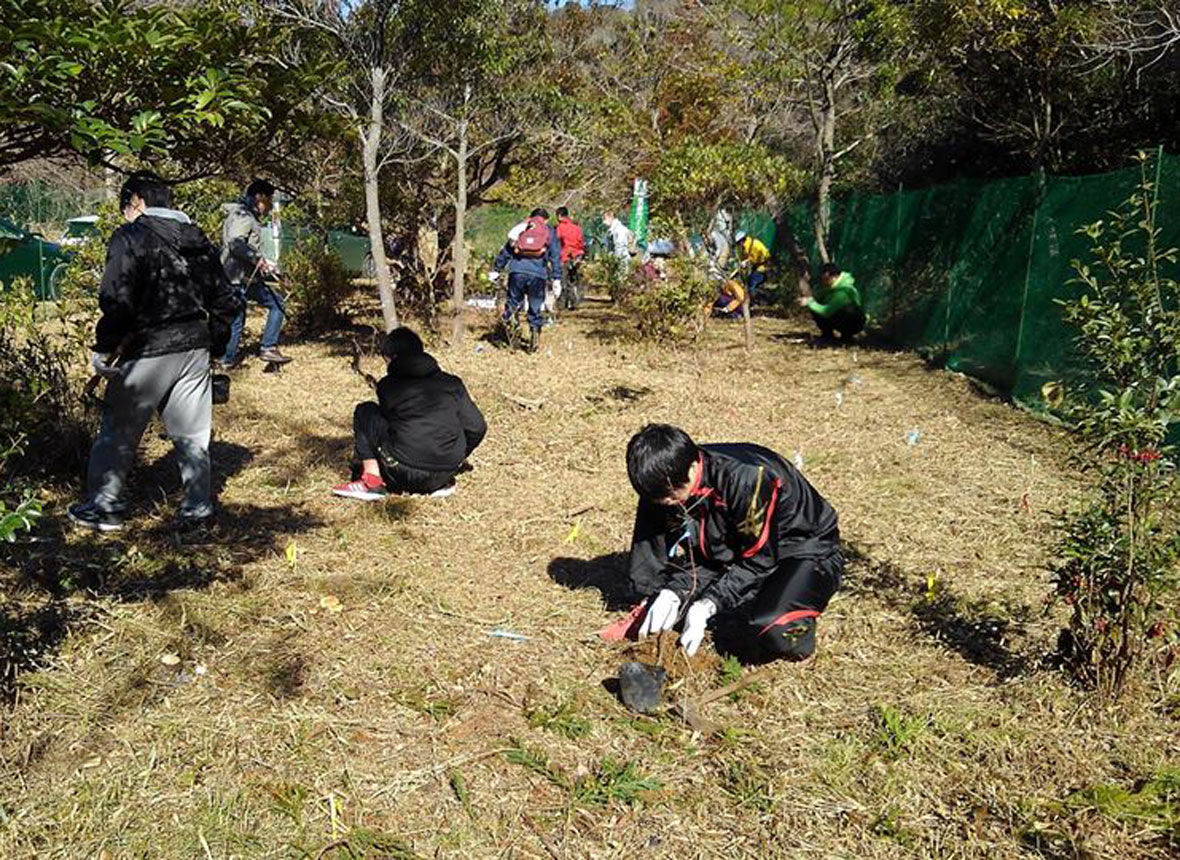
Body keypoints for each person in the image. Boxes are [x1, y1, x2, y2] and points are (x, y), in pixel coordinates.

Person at [67, 172, 239, 532]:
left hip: (148, 347)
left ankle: (104, 506)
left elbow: (118, 300)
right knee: (193, 436)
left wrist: (105, 347)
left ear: (137, 202)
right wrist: (216, 343)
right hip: (195, 345)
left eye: (125, 208)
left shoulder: (130, 237)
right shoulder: (198, 240)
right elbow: (225, 299)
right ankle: (197, 510)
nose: (125, 215)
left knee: (118, 429)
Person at [624, 424, 843, 662]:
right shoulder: (666, 481)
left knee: (775, 630)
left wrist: (708, 604)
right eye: (661, 498)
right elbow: (705, 553)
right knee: (673, 602)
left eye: (672, 495)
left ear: (693, 467)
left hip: (803, 547)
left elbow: (759, 561)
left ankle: (797, 616)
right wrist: (668, 592)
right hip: (739, 542)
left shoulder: (746, 478)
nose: (668, 503)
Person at [332, 327, 486, 500]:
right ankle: (436, 481)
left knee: (365, 410)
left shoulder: (388, 385)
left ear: (392, 358)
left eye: (386, 361)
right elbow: (477, 427)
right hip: (445, 473)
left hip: (402, 471)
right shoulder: (452, 383)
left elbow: (389, 430)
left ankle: (371, 481)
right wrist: (453, 456)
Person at [220, 178, 291, 367]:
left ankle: (230, 358)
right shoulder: (243, 216)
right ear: (259, 197)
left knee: (240, 317)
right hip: (237, 278)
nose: (268, 207)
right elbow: (235, 243)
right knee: (271, 306)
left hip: (244, 277)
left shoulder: (243, 215)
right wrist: (256, 258)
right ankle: (263, 348)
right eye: (268, 201)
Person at [490, 208, 562, 353]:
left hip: (517, 271)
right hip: (538, 274)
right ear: (546, 219)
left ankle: (513, 329)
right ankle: (534, 333)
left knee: (513, 303)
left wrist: (497, 269)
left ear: (531, 217)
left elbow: (506, 250)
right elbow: (555, 256)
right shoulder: (548, 231)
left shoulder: (522, 228)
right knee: (535, 306)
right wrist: (556, 278)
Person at [800, 262, 865, 343]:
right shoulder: (830, 287)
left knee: (846, 311)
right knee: (817, 304)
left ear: (833, 276)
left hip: (854, 323)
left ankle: (846, 336)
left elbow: (826, 311)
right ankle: (828, 335)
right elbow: (817, 295)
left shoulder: (844, 291)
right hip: (840, 317)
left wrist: (810, 303)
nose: (822, 281)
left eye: (824, 278)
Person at [554, 206, 585, 310]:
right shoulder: (577, 228)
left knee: (564, 281)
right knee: (572, 281)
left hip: (565, 256)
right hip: (577, 257)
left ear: (559, 216)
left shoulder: (560, 227)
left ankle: (565, 304)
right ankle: (574, 302)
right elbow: (581, 243)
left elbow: (556, 242)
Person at [734, 230, 770, 300]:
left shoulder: (752, 245)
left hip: (763, 266)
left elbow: (760, 256)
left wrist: (746, 261)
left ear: (741, 240)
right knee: (751, 283)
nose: (738, 245)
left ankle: (763, 299)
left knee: (752, 285)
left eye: (738, 243)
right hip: (757, 266)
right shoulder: (746, 246)